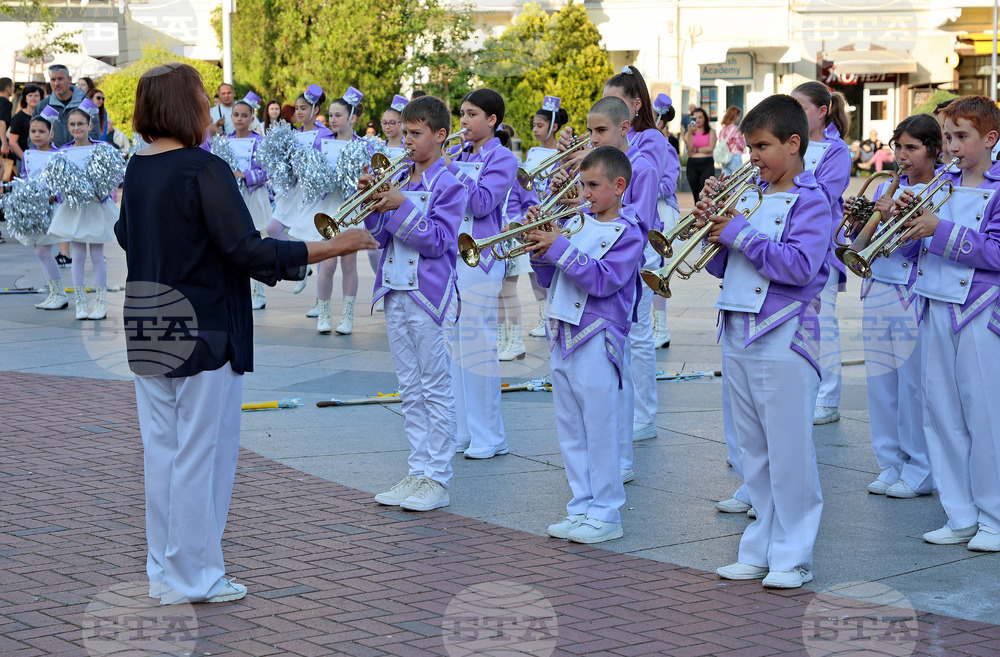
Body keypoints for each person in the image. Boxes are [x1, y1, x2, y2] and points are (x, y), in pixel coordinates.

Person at [118, 63, 376, 605]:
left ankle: (165, 572)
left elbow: (127, 234)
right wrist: (333, 246)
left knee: (162, 453)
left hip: (147, 320)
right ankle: (197, 577)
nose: (210, 108)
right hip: (202, 325)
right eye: (201, 98)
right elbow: (247, 250)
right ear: (184, 107)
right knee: (200, 456)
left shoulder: (138, 166)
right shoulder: (202, 169)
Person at [702, 94, 830, 589]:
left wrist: (740, 232)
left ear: (793, 144)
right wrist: (713, 231)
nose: (753, 156)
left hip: (784, 332)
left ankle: (794, 554)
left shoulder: (814, 200)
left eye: (762, 146)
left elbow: (800, 267)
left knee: (789, 448)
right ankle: (759, 547)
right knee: (751, 448)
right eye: (750, 147)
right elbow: (722, 265)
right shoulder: (751, 195)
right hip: (735, 325)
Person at [899, 95, 1000, 552]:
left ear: (990, 139)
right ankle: (959, 512)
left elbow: (995, 253)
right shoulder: (941, 182)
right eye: (947, 137)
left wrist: (937, 228)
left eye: (962, 137)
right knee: (939, 413)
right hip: (934, 303)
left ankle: (994, 517)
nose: (952, 146)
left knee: (985, 416)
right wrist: (897, 223)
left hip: (980, 310)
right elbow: (912, 251)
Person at [530, 145, 644, 544]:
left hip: (597, 335)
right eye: (582, 185)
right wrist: (539, 249)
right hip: (561, 330)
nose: (585, 193)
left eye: (593, 185)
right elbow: (548, 280)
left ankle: (607, 511)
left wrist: (557, 245)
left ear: (619, 186)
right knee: (570, 428)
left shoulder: (630, 232)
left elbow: (603, 280)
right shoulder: (575, 222)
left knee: (600, 427)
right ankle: (581, 505)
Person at [361, 95, 466, 512]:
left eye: (416, 134)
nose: (406, 141)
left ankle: (438, 477)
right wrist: (373, 202)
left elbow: (440, 241)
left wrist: (401, 204)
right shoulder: (400, 177)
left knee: (435, 387)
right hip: (394, 289)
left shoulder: (451, 184)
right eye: (404, 132)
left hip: (430, 296)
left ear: (440, 136)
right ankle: (418, 467)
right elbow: (379, 236)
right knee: (409, 387)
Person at [845, 114, 936, 499]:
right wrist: (859, 220)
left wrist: (897, 216)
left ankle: (919, 467)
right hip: (876, 288)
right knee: (880, 383)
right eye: (898, 146)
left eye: (912, 148)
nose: (901, 155)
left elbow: (921, 249)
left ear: (934, 150)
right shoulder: (889, 187)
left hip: (910, 293)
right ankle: (889, 463)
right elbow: (857, 246)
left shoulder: (940, 192)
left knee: (912, 386)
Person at [446, 88, 516, 459]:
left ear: (492, 121)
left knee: (478, 346)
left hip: (483, 257)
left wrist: (449, 168)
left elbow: (482, 202)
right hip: (452, 256)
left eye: (472, 114)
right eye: (462, 114)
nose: (464, 121)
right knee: (455, 346)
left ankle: (490, 435)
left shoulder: (502, 157)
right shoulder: (458, 153)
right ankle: (462, 430)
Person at [601, 68, 665, 445]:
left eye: (619, 101)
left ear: (636, 104)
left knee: (639, 334)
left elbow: (641, 196)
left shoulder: (650, 140)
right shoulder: (614, 139)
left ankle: (645, 414)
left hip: (638, 245)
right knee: (621, 334)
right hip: (610, 242)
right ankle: (624, 410)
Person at [790, 81, 852, 426]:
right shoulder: (790, 143)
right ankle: (803, 392)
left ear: (822, 111)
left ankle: (828, 398)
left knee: (823, 322)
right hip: (788, 243)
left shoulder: (836, 150)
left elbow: (824, 196)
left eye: (801, 108)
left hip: (820, 247)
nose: (796, 114)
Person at [309, 86, 377, 335]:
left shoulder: (365, 146)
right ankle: (324, 313)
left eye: (338, 115)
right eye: (331, 115)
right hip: (328, 207)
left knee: (349, 263)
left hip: (351, 209)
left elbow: (372, 180)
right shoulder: (321, 142)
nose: (333, 120)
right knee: (326, 264)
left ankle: (347, 316)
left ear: (353, 117)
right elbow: (311, 175)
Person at [45, 98, 121, 320]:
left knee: (97, 255)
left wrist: (101, 189)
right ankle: (79, 303)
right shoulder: (62, 153)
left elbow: (114, 176)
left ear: (90, 125)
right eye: (72, 124)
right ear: (67, 127)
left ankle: (100, 303)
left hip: (96, 206)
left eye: (81, 124)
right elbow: (57, 181)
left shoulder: (103, 149)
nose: (76, 128)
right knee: (77, 254)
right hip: (75, 208)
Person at [263, 83, 333, 298]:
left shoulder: (327, 135)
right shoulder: (292, 135)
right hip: (294, 192)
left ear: (316, 110)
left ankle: (320, 303)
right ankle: (300, 265)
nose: (299, 112)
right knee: (273, 228)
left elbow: (327, 166)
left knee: (319, 245)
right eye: (298, 108)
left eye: (304, 108)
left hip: (314, 196)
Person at [518, 95, 568, 340]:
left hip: (553, 214)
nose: (535, 129)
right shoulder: (532, 151)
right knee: (534, 267)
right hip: (534, 211)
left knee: (552, 265)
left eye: (540, 125)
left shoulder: (562, 153)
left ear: (554, 127)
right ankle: (542, 315)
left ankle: (552, 313)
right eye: (534, 125)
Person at [6, 107, 66, 309]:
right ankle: (54, 292)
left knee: (43, 251)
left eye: (42, 131)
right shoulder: (28, 155)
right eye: (33, 132)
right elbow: (25, 178)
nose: (37, 135)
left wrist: (51, 196)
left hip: (50, 208)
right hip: (33, 211)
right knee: (39, 250)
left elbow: (63, 182)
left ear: (51, 133)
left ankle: (59, 293)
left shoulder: (59, 155)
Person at [495, 122, 537, 361]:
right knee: (497, 293)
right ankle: (501, 340)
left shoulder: (519, 173)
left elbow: (531, 206)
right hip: (492, 238)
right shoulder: (486, 168)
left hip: (511, 238)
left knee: (508, 291)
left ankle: (516, 341)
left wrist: (514, 224)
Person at [228, 92, 272, 310]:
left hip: (253, 195)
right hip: (231, 197)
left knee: (254, 243)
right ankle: (235, 288)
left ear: (251, 118)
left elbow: (267, 171)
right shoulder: (224, 141)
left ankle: (258, 291)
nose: (239, 119)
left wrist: (245, 175)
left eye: (244, 115)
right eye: (236, 115)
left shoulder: (259, 141)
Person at [651, 93, 680, 349]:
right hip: (644, 207)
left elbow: (669, 185)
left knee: (659, 270)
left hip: (660, 210)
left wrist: (639, 186)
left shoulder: (666, 148)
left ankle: (661, 329)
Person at [33, 65, 100, 146]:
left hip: (79, 155)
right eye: (53, 79)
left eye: (60, 79)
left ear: (69, 79)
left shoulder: (85, 103)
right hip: (51, 156)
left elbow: (94, 134)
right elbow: (33, 136)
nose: (56, 83)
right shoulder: (43, 106)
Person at [684, 107, 716, 205]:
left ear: (705, 118)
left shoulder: (711, 132)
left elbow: (710, 148)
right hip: (692, 165)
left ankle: (705, 216)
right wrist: (690, 132)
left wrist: (696, 150)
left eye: (700, 117)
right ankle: (697, 217)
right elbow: (689, 149)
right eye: (695, 117)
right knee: (695, 195)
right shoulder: (688, 133)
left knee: (704, 193)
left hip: (707, 164)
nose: (697, 120)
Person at [8, 84, 44, 168]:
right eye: (30, 95)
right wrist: (25, 159)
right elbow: (13, 142)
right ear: (25, 98)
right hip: (24, 161)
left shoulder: (44, 115)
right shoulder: (18, 117)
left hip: (42, 158)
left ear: (41, 98)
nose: (33, 98)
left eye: (36, 95)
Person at [718, 105, 746, 177]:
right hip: (735, 156)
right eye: (738, 116)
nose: (739, 118)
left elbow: (720, 141)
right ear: (735, 116)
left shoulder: (723, 129)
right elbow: (741, 145)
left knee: (726, 181)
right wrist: (743, 141)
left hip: (725, 158)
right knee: (740, 179)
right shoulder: (735, 129)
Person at [0, 77, 13, 159]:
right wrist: (4, 143)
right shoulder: (6, 103)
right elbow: (1, 122)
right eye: (12, 87)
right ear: (8, 88)